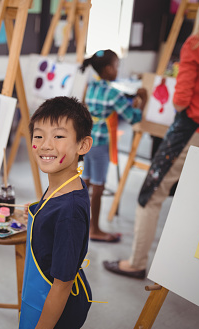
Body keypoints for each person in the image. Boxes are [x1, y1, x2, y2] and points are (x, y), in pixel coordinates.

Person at [103, 0, 199, 279]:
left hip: (191, 133)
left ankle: (137, 262)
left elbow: (180, 102)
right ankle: (192, 272)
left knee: (150, 196)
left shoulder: (198, 43)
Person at [18, 97, 105, 329]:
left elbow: (63, 284)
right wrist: (40, 210)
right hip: (41, 301)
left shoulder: (69, 211)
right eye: (38, 136)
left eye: (58, 136)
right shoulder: (64, 185)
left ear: (83, 145)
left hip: (55, 320)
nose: (46, 145)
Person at [80, 49, 147, 242]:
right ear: (108, 69)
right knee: (99, 187)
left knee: (86, 181)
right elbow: (133, 117)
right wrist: (143, 101)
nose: (118, 69)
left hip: (87, 140)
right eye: (117, 66)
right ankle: (95, 229)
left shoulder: (91, 86)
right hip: (101, 144)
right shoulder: (113, 93)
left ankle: (78, 220)